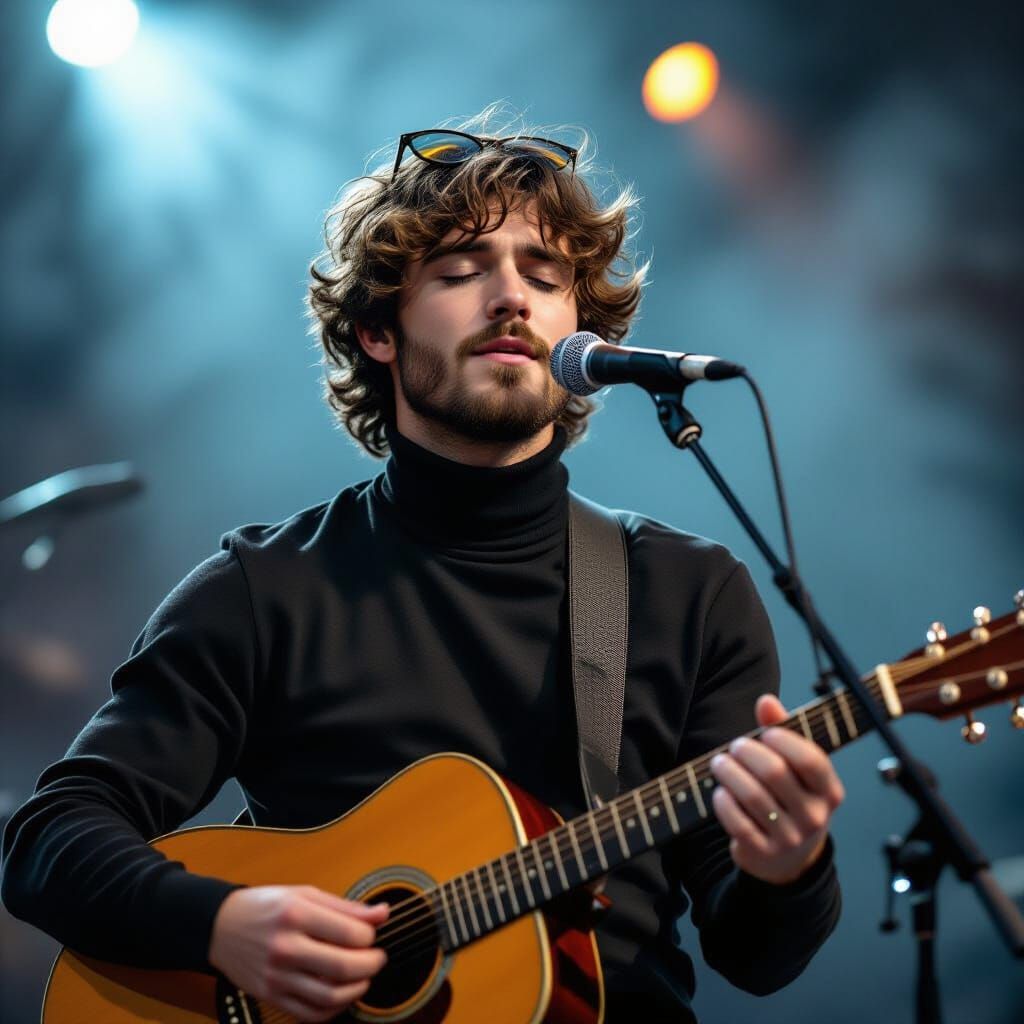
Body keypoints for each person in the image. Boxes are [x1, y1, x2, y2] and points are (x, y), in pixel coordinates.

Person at [1, 111, 844, 1023]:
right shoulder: (267, 589)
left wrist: (788, 866)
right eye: (460, 272)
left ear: (580, 335)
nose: (512, 298)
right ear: (378, 332)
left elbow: (758, 959)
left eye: (545, 274)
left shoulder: (687, 592)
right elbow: (49, 840)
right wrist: (222, 923)